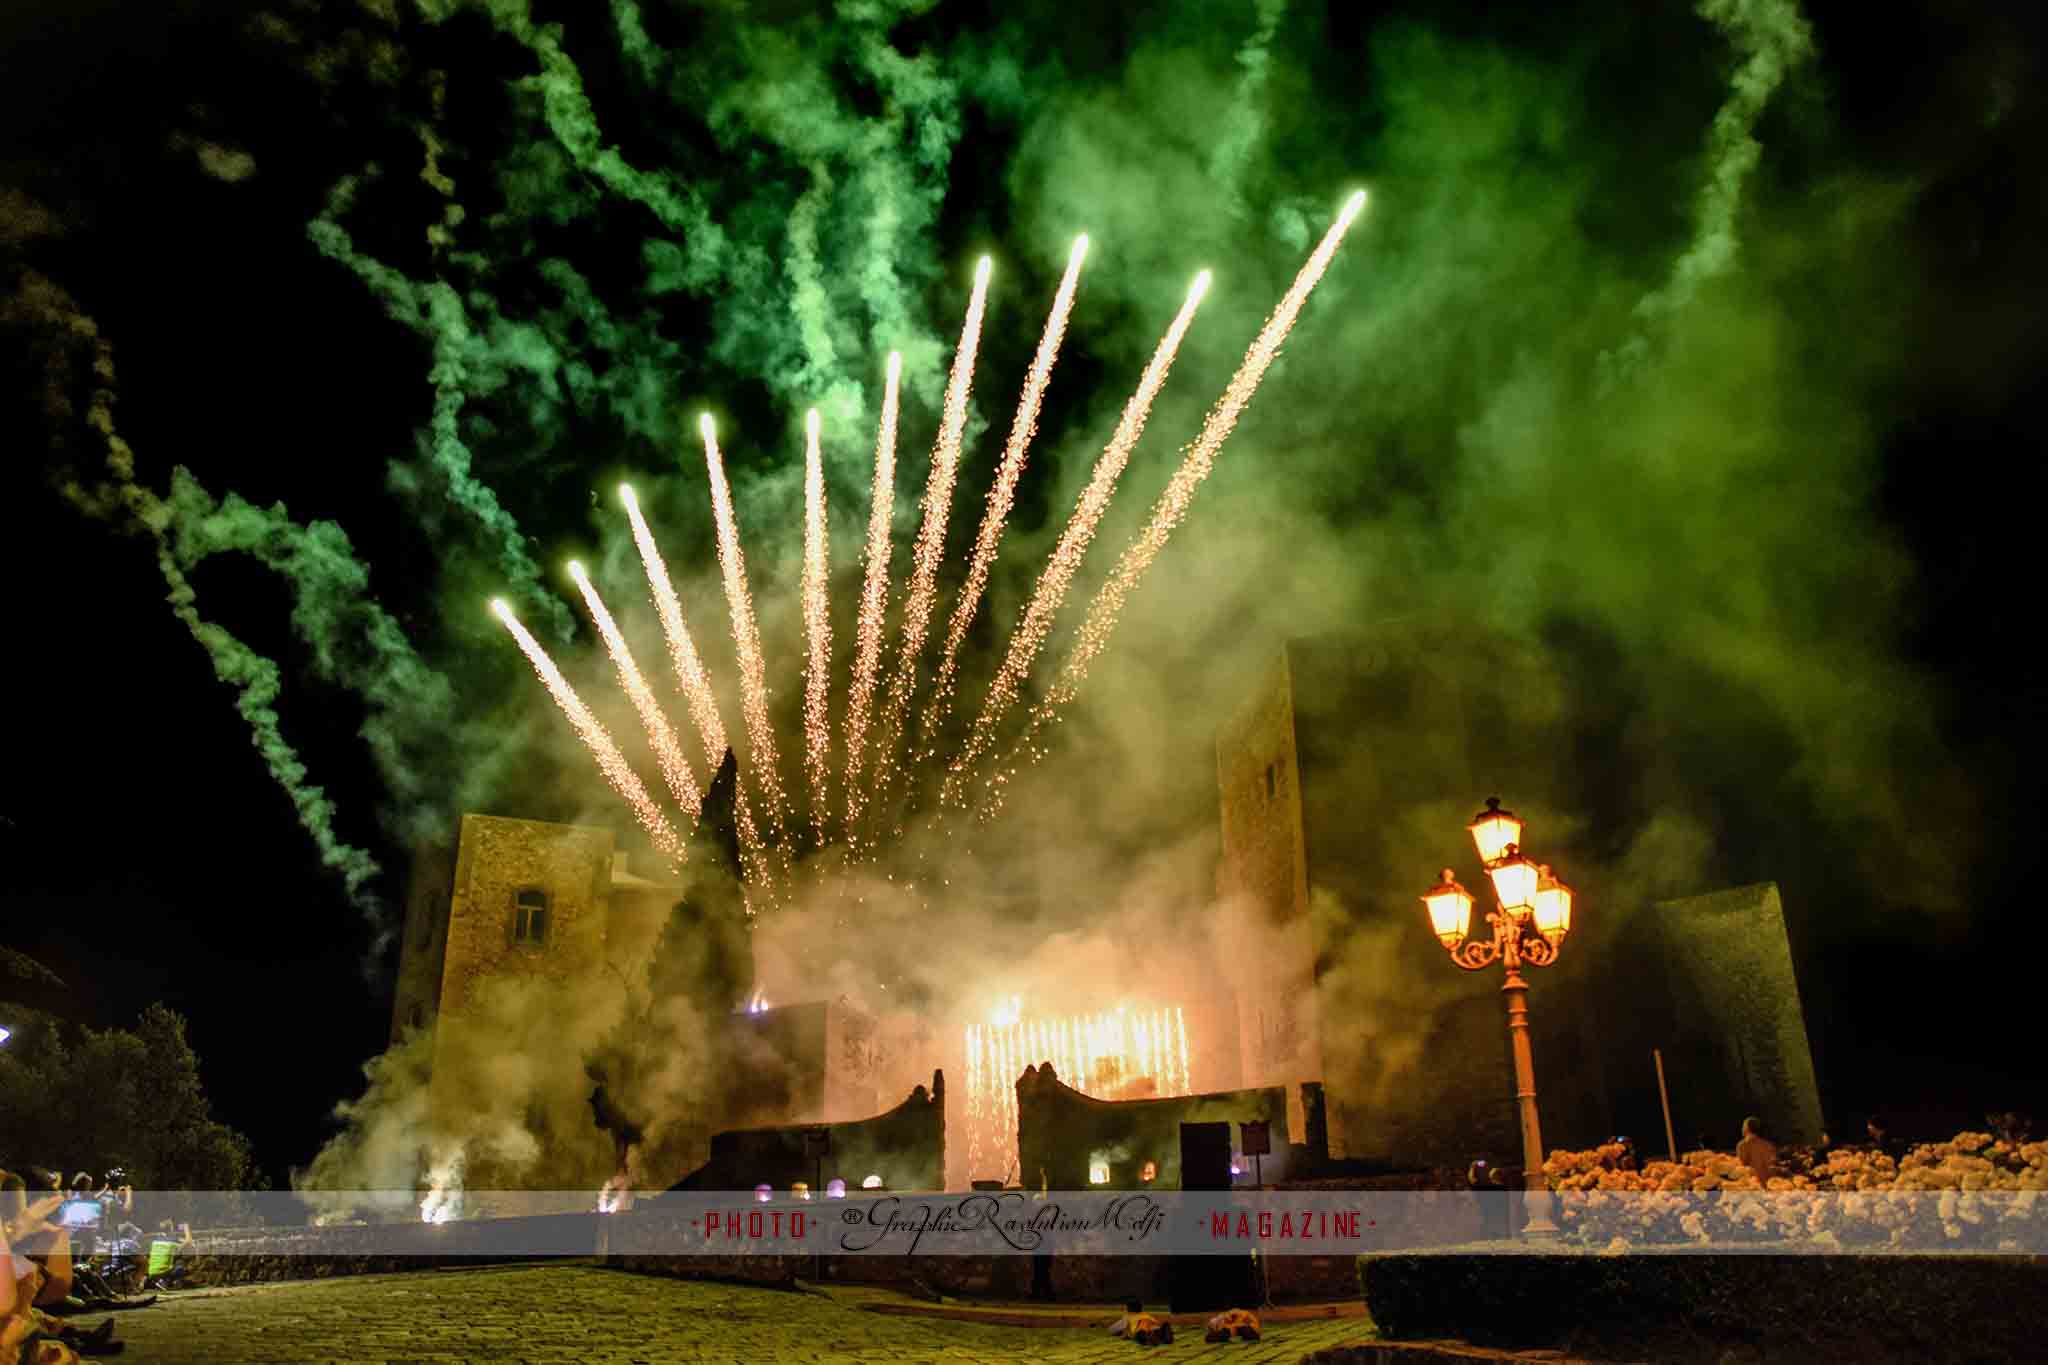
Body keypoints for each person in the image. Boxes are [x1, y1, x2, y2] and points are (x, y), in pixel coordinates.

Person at [1735, 1117, 1777, 1182]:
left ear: (1746, 1128)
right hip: (1768, 1180)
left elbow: (1743, 1166)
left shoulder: (1742, 1145)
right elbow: (1772, 1164)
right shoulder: (1768, 1145)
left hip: (1752, 1181)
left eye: (1743, 1126)